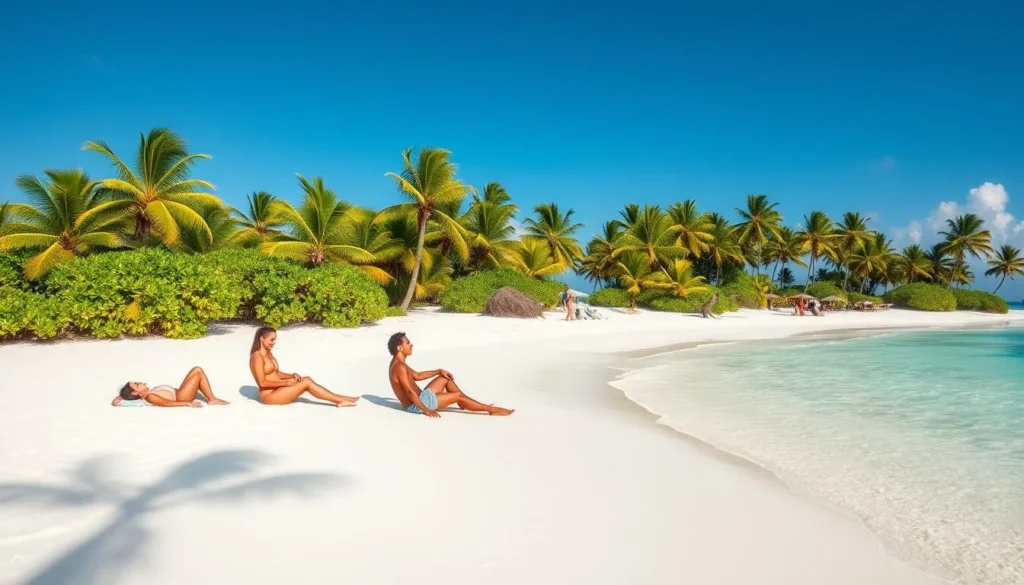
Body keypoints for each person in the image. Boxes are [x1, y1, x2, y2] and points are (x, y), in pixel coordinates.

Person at [387, 332, 513, 418]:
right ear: (399, 348)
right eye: (408, 343)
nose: (411, 345)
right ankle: (490, 410)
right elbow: (409, 392)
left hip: (422, 398)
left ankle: (464, 402)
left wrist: (438, 370)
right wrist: (426, 410)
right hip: (417, 405)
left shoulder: (399, 363)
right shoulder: (399, 367)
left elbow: (417, 376)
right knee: (457, 396)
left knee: (444, 378)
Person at [249, 326, 359, 407]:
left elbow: (275, 373)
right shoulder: (256, 357)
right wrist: (286, 383)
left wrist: (290, 376)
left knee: (306, 379)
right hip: (269, 396)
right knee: (306, 382)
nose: (274, 342)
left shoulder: (268, 353)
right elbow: (262, 382)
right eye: (271, 340)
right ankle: (338, 400)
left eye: (275, 339)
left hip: (278, 389)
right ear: (262, 339)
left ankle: (337, 397)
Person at [111, 366, 228, 407]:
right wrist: (187, 403)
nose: (139, 382)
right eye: (137, 384)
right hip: (181, 397)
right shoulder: (150, 397)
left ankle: (211, 398)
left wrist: (121, 399)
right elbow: (166, 403)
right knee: (198, 372)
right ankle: (212, 400)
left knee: (196, 370)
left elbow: (134, 402)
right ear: (135, 393)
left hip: (180, 393)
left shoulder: (147, 394)